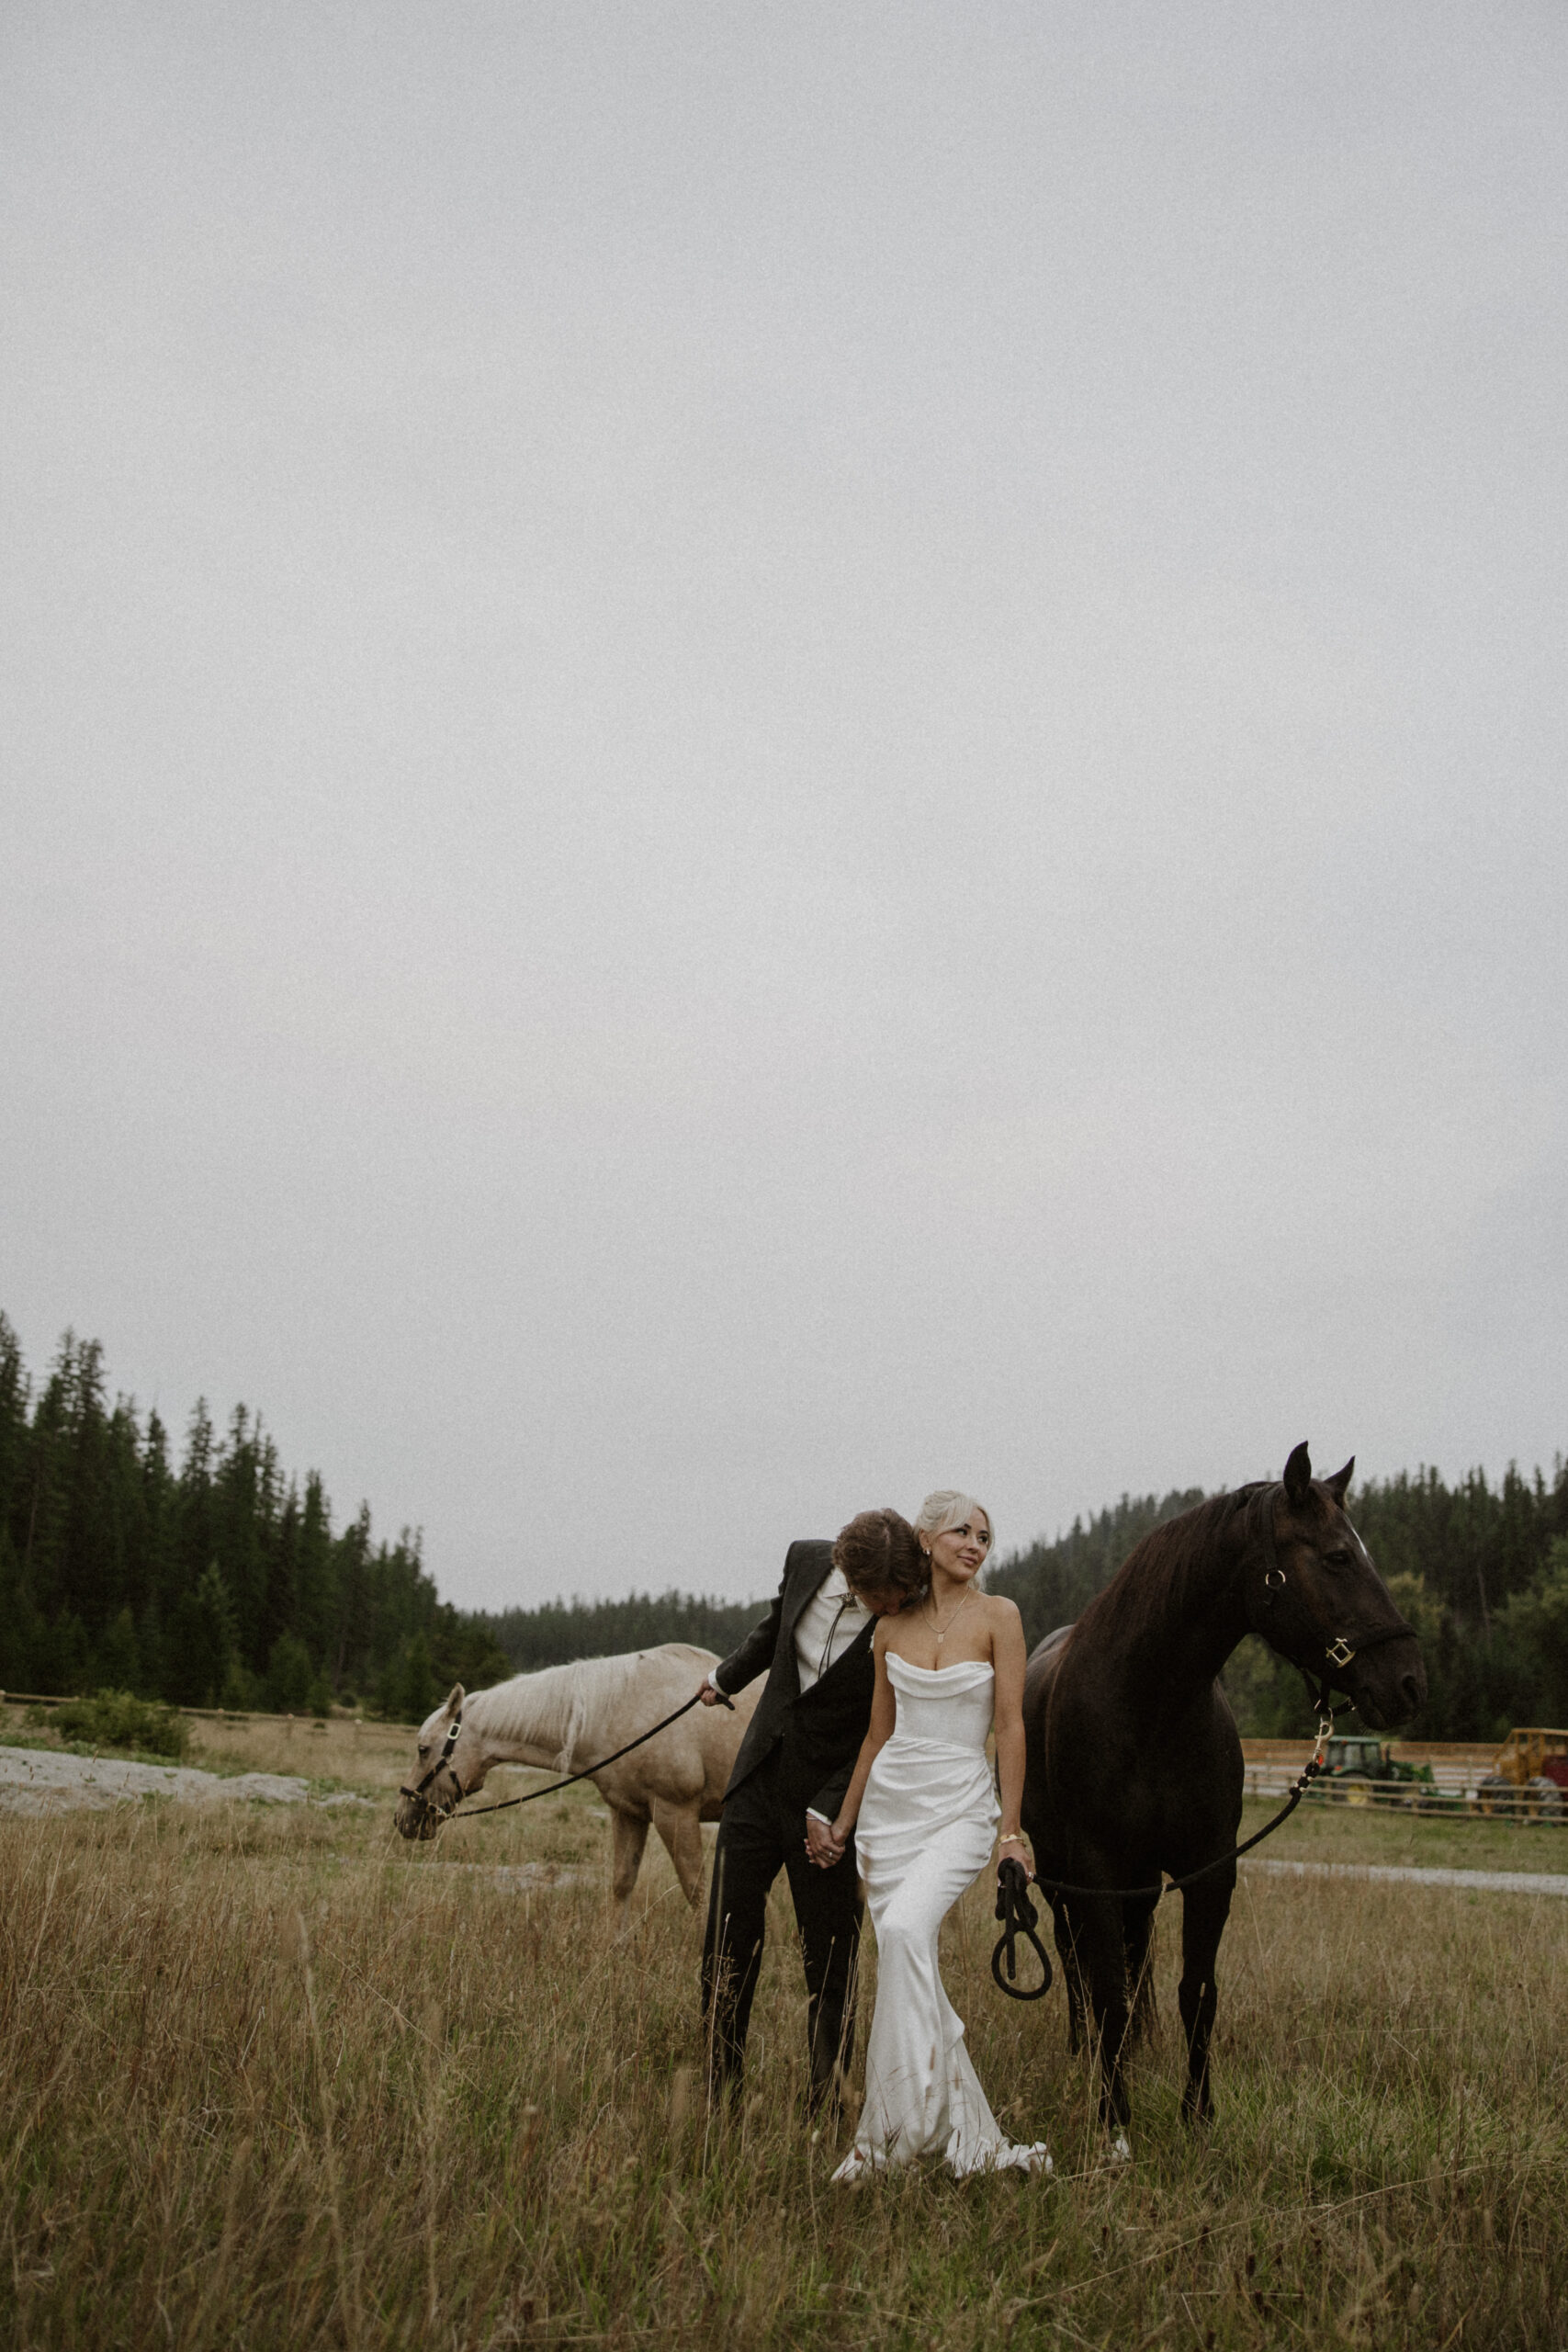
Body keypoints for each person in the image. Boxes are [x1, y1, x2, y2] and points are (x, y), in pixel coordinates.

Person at [827, 1490, 1052, 2180]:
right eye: (961, 1530)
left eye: (985, 1534)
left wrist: (1011, 1832)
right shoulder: (889, 1630)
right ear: (924, 1539)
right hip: (890, 1816)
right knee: (905, 1955)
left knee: (902, 1937)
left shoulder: (998, 1617)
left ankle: (897, 2135)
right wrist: (843, 1822)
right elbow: (875, 1735)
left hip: (959, 1808)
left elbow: (1009, 1725)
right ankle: (962, 2137)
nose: (975, 1544)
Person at [697, 1510, 925, 2113]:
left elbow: (889, 1726)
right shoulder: (803, 1558)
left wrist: (830, 1809)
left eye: (903, 1595)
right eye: (885, 1595)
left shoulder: (907, 1611)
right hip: (753, 1781)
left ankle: (827, 2102)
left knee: (829, 1953)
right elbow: (774, 1630)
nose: (895, 1605)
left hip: (828, 1803)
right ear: (849, 1575)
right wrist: (724, 1677)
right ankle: (720, 2088)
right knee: (727, 1936)